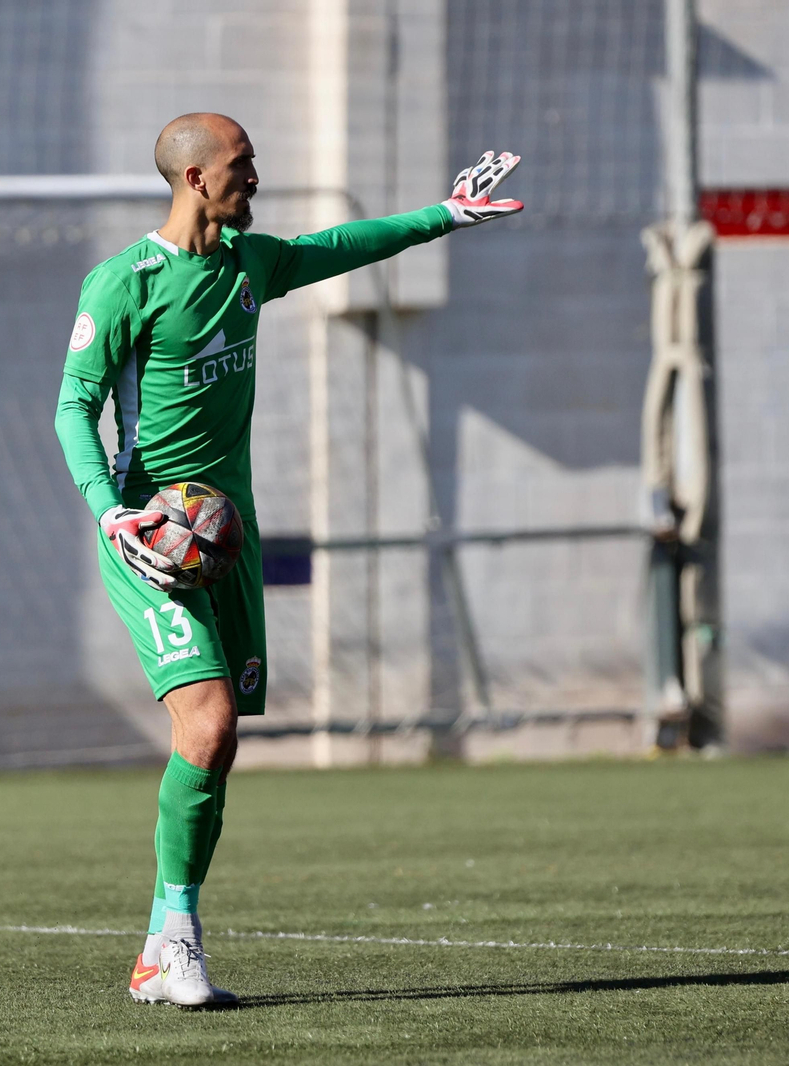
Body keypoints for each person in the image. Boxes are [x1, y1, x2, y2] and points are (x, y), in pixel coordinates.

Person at [53, 113, 521, 1008]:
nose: (256, 176)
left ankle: (161, 947)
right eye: (243, 163)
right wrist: (111, 513)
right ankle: (178, 943)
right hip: (151, 539)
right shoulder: (122, 284)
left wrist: (445, 217)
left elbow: (341, 244)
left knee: (219, 746)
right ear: (195, 179)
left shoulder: (248, 266)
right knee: (210, 724)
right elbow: (72, 408)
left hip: (226, 533)